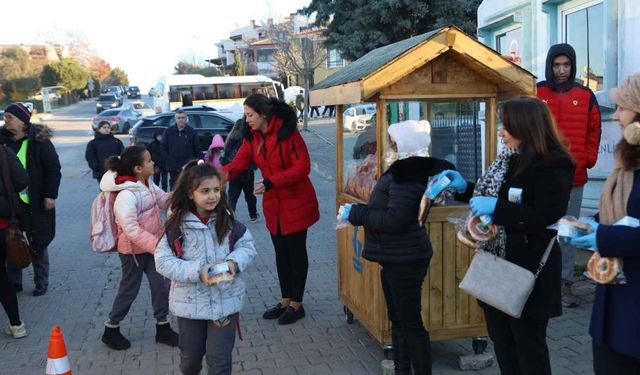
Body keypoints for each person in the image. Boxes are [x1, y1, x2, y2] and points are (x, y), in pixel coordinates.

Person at [439, 96, 575, 374]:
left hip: (529, 272)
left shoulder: (554, 164)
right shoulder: (510, 159)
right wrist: (465, 187)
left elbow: (545, 217)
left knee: (529, 347)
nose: (500, 131)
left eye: (506, 126)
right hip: (497, 267)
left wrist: (498, 209)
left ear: (527, 127)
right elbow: (496, 196)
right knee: (503, 342)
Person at [339, 120, 454, 375]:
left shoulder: (406, 175)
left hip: (405, 257)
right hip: (397, 255)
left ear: (404, 145)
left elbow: (395, 220)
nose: (388, 145)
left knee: (409, 322)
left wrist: (357, 213)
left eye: (392, 141)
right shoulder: (406, 171)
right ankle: (402, 369)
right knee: (399, 319)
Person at [222, 94, 319, 325]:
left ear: (263, 114)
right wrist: (216, 176)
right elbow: (237, 164)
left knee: (296, 253)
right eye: (245, 116)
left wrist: (271, 182)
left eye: (250, 115)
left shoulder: (288, 133)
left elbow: (303, 167)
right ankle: (285, 300)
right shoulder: (252, 138)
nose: (247, 120)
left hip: (295, 200)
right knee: (280, 253)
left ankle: (297, 303)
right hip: (273, 204)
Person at [155, 161, 256, 375]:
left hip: (224, 304)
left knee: (219, 361)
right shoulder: (176, 226)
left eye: (216, 190)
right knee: (190, 359)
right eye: (205, 191)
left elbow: (247, 245)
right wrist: (198, 271)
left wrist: (233, 263)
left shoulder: (228, 221)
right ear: (191, 193)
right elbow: (163, 261)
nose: (212, 196)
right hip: (190, 306)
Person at [570, 73, 640, 373]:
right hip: (612, 300)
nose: (618, 117)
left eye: (623, 109)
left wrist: (602, 237)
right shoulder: (628, 161)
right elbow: (621, 211)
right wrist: (590, 224)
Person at [537, 43, 602, 308]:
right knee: (541, 230)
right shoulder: (537, 92)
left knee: (567, 233)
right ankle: (540, 284)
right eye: (557, 65)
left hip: (574, 178)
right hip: (542, 178)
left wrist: (587, 159)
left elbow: (594, 130)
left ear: (573, 66)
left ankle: (564, 286)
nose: (561, 70)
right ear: (550, 66)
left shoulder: (586, 95)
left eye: (566, 65)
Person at [99, 146, 178, 350]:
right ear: (137, 168)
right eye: (149, 161)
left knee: (160, 286)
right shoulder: (127, 194)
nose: (153, 163)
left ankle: (163, 327)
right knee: (129, 290)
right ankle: (111, 328)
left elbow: (162, 200)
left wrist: (184, 188)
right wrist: (157, 245)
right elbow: (131, 229)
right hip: (133, 252)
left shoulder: (147, 183)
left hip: (152, 247)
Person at [1, 102, 61, 297]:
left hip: (35, 201)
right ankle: (14, 282)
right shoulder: (2, 141)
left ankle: (41, 281)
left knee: (38, 243)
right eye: (6, 117)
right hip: (10, 204)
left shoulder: (39, 141)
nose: (6, 120)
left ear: (23, 121)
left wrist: (50, 195)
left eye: (10, 117)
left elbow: (53, 169)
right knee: (12, 241)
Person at [0, 142, 29, 338]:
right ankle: (17, 325)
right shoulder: (3, 151)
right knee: (2, 276)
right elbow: (22, 179)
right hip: (2, 225)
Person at [220, 118, 259, 222]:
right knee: (250, 194)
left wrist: (226, 168)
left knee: (233, 196)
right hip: (247, 171)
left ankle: (230, 216)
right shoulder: (247, 140)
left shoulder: (230, 139)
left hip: (233, 172)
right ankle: (253, 215)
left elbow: (224, 157)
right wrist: (254, 166)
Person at [162, 110, 200, 190]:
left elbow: (197, 149)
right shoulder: (168, 132)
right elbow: (163, 147)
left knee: (188, 189)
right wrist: (168, 159)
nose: (181, 120)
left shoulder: (192, 132)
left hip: (188, 168)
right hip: (173, 167)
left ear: (186, 119)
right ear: (175, 119)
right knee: (174, 189)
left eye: (183, 117)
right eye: (178, 118)